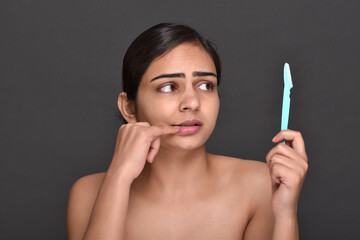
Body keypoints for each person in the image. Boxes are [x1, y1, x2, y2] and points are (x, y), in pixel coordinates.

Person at [66, 23, 308, 240]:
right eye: (169, 86)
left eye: (205, 85)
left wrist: (286, 214)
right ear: (129, 107)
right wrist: (117, 178)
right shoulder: (88, 194)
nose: (192, 102)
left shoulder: (261, 185)